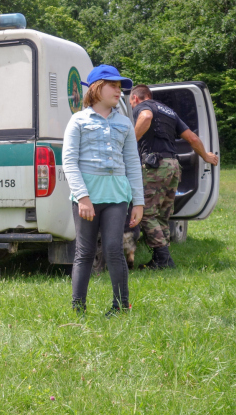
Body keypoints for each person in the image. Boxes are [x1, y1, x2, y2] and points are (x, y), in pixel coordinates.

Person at [62, 65, 144, 316]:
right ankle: (78, 309)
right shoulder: (78, 120)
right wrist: (83, 198)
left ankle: (120, 307)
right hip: (86, 197)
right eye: (114, 86)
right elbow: (69, 161)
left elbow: (132, 162)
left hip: (117, 196)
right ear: (97, 89)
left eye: (121, 87)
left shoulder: (124, 123)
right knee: (85, 252)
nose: (119, 92)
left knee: (113, 249)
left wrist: (138, 202)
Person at [129, 84, 220, 269]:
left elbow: (146, 116)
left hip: (155, 167)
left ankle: (163, 259)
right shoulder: (169, 112)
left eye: (131, 103)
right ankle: (161, 260)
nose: (132, 107)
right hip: (173, 166)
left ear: (136, 98)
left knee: (145, 213)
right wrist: (206, 156)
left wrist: (129, 143)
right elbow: (192, 139)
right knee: (162, 215)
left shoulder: (143, 107)